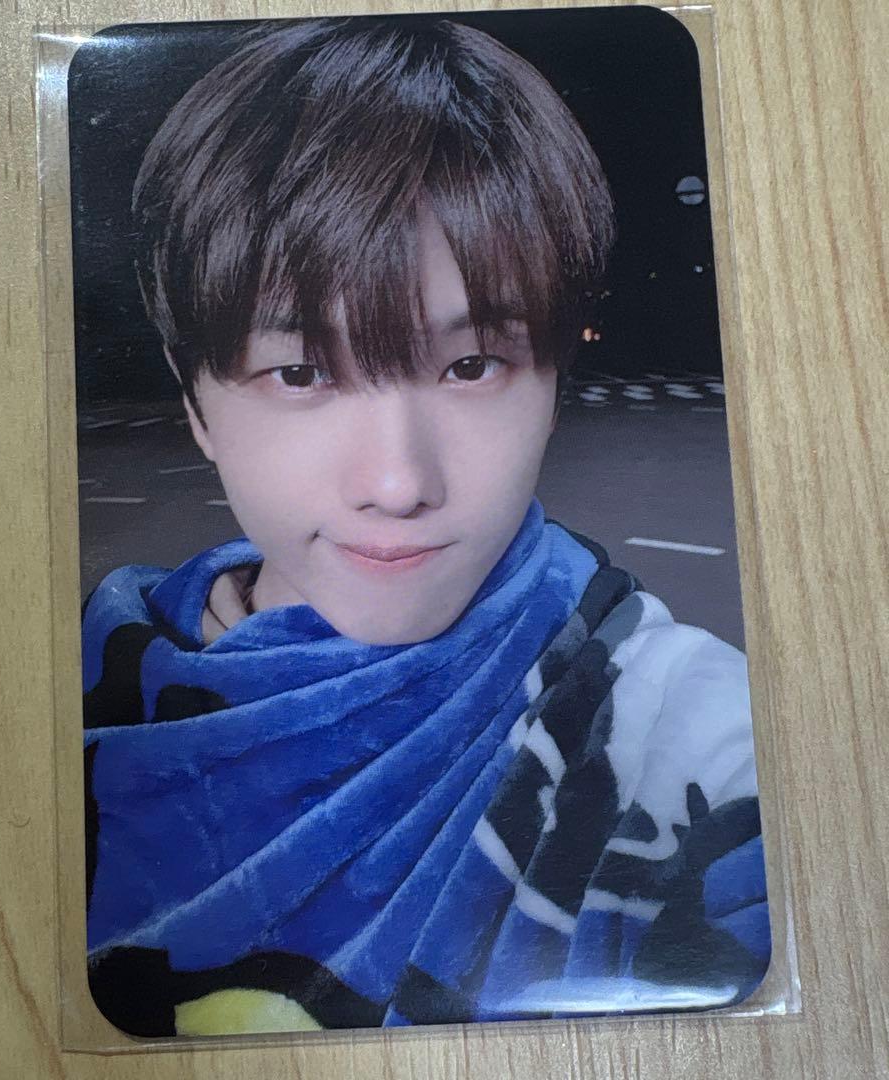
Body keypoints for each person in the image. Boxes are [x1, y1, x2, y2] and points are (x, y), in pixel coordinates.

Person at [80, 16, 770, 1038]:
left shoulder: (691, 734)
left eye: (470, 365)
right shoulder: (62, 707)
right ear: (197, 406)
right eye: (301, 372)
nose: (399, 484)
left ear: (551, 379)